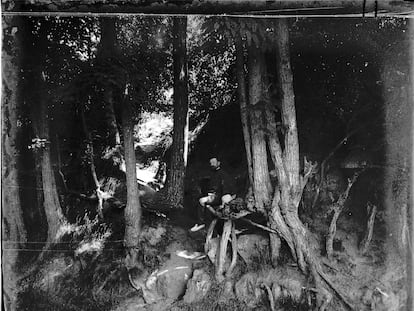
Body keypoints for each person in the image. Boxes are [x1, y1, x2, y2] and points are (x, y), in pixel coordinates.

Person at [192, 157, 236, 231]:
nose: (212, 164)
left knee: (201, 201)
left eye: (214, 162)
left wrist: (222, 199)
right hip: (213, 196)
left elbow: (226, 188)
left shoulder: (223, 174)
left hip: (219, 197)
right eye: (211, 163)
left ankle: (201, 223)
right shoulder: (211, 174)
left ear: (218, 163)